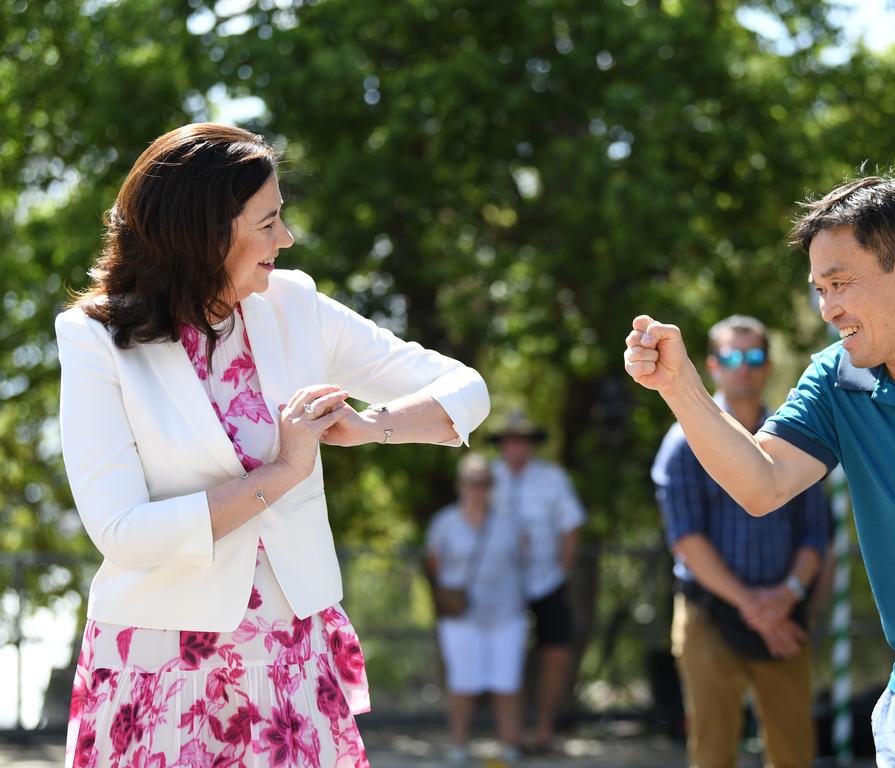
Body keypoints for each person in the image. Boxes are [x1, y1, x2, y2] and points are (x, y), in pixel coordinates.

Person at [56, 123, 489, 768]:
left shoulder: (297, 306)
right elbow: (123, 533)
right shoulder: (94, 340)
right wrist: (283, 471)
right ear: (205, 232)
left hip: (293, 661)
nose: (285, 238)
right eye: (268, 221)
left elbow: (466, 390)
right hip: (158, 667)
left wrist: (371, 426)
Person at [624, 176, 895, 767]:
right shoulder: (836, 379)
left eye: (840, 284)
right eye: (819, 289)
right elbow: (761, 484)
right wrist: (679, 385)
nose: (827, 308)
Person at [651, 314, 830, 768]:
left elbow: (815, 534)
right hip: (708, 615)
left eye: (753, 356)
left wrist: (785, 597)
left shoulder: (797, 438)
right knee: (713, 752)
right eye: (732, 356)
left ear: (768, 365)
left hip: (784, 616)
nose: (743, 366)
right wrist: (752, 604)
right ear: (713, 366)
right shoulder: (681, 443)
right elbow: (686, 540)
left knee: (794, 751)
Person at [489, 411, 585, 752]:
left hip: (547, 579)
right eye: (509, 440)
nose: (515, 447)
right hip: (500, 583)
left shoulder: (552, 478)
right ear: (501, 445)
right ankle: (509, 735)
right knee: (504, 654)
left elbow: (570, 526)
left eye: (522, 440)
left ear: (530, 445)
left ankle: (545, 730)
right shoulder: (487, 478)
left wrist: (563, 570)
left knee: (555, 653)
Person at [425, 453, 527, 765]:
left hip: (506, 613)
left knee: (506, 683)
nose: (477, 489)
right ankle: (458, 745)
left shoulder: (509, 523)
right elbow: (434, 563)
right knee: (462, 682)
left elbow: (523, 559)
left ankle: (509, 746)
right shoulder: (444, 522)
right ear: (461, 485)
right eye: (472, 482)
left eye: (484, 483)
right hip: (461, 617)